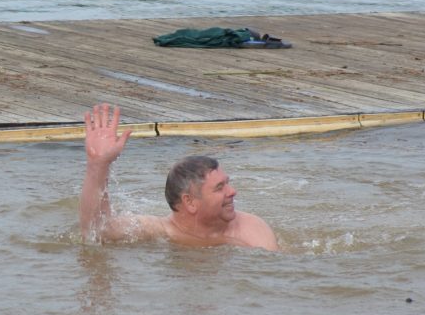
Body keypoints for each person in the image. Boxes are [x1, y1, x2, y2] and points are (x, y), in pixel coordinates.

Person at [79, 103, 279, 251]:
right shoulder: (158, 232)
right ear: (190, 202)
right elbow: (97, 230)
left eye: (227, 183)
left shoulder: (250, 230)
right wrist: (98, 165)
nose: (233, 191)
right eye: (220, 188)